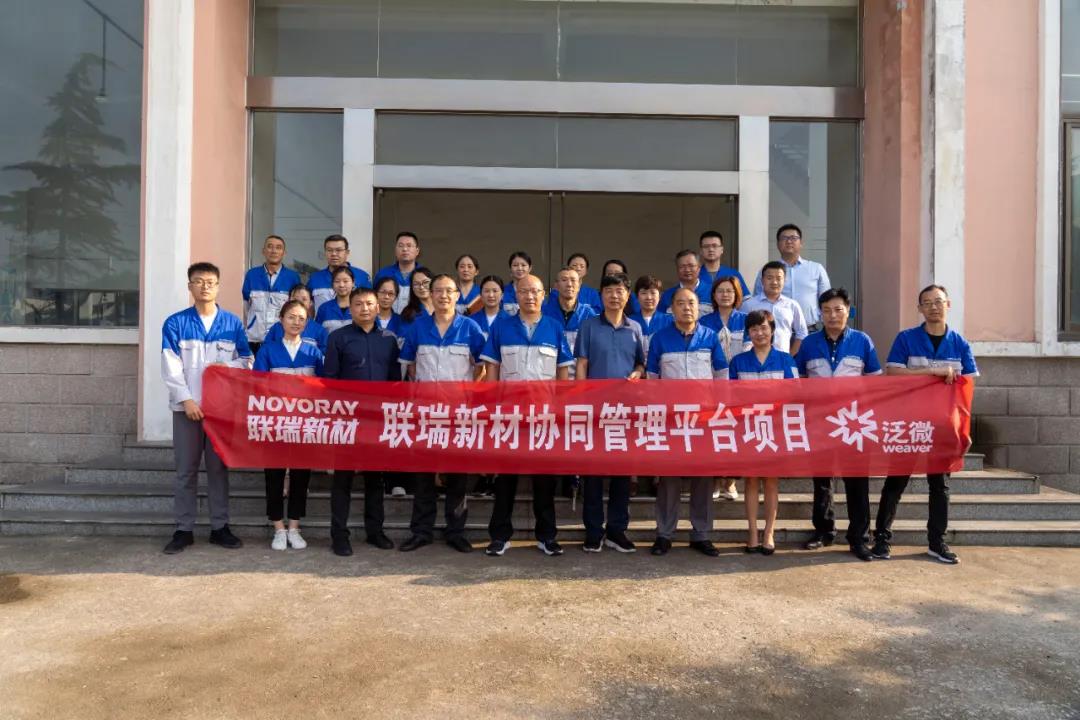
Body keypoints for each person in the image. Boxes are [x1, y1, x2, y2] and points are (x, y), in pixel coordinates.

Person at [871, 284, 978, 565]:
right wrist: (932, 371)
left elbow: (968, 389)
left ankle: (936, 542)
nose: (933, 307)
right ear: (919, 308)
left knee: (939, 485)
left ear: (948, 305)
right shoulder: (906, 338)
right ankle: (881, 539)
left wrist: (964, 430)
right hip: (910, 422)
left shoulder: (960, 343)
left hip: (943, 425)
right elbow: (893, 372)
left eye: (938, 301)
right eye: (927, 303)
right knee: (896, 481)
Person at [160, 262, 253, 554]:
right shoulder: (175, 323)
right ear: (190, 286)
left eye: (210, 282)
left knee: (218, 469)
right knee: (185, 470)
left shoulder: (232, 323)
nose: (205, 286)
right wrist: (186, 399)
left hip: (220, 411)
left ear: (218, 286)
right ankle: (183, 529)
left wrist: (226, 366)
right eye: (198, 281)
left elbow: (247, 361)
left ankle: (219, 527)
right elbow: (170, 366)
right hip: (186, 409)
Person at [481, 274, 574, 557]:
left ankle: (547, 537)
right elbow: (492, 370)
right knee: (505, 480)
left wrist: (560, 409)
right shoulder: (502, 327)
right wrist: (493, 407)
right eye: (524, 291)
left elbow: (563, 371)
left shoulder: (554, 327)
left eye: (535, 292)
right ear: (516, 295)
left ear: (544, 295)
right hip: (509, 417)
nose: (530, 296)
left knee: (544, 481)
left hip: (544, 417)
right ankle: (499, 536)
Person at [397, 274, 487, 554]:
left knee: (458, 475)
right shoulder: (418, 327)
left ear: (457, 295)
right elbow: (409, 364)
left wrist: (469, 393)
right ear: (431, 294)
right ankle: (421, 531)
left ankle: (455, 532)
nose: (444, 296)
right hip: (426, 413)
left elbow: (482, 366)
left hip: (458, 413)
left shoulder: (470, 328)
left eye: (449, 291)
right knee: (423, 475)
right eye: (438, 291)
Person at [794, 288, 882, 562]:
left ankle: (859, 538)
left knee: (857, 482)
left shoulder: (862, 341)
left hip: (853, 423)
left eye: (838, 310)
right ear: (820, 314)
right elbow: (798, 380)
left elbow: (875, 381)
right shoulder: (809, 343)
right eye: (827, 310)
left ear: (848, 311)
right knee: (822, 480)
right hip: (819, 422)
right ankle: (823, 531)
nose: (832, 315)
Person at [645, 287, 727, 558]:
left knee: (703, 478)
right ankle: (664, 534)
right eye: (680, 303)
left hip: (702, 419)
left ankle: (701, 534)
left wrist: (718, 411)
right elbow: (652, 380)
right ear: (672, 309)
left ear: (698, 307)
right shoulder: (660, 338)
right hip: (672, 420)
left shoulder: (710, 337)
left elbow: (721, 376)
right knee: (669, 478)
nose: (686, 308)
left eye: (691, 303)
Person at [321, 287, 402, 557]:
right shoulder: (338, 338)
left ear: (378, 307)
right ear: (351, 308)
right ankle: (339, 535)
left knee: (375, 478)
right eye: (358, 304)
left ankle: (375, 531)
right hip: (347, 419)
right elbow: (330, 380)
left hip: (377, 420)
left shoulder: (389, 340)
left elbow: (394, 382)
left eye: (369, 303)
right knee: (342, 479)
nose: (364, 308)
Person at [575, 272, 645, 553]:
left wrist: (637, 374)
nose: (614, 296)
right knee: (592, 474)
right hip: (594, 411)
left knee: (621, 474)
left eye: (619, 291)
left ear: (627, 295)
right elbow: (582, 364)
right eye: (609, 291)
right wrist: (582, 403)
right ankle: (593, 531)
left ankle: (617, 530)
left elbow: (641, 364)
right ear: (601, 295)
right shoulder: (589, 326)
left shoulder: (635, 328)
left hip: (624, 412)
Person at [253, 300, 324, 551]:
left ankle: (294, 526)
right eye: (291, 317)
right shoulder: (267, 351)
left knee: (300, 475)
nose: (296, 322)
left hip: (304, 424)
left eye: (301, 318)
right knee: (273, 474)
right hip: (275, 422)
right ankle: (278, 528)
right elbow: (258, 386)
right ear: (281, 320)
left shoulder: (313, 353)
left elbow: (323, 389)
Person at [729, 310, 798, 556]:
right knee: (750, 480)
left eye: (764, 328)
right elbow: (731, 396)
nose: (759, 333)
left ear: (772, 330)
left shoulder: (785, 360)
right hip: (748, 428)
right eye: (754, 329)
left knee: (770, 481)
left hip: (774, 429)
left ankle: (769, 532)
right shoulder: (738, 362)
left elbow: (795, 394)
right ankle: (752, 532)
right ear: (748, 333)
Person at [699, 275, 748, 501]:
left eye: (729, 291)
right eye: (720, 291)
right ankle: (716, 480)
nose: (725, 295)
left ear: (737, 294)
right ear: (714, 295)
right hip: (712, 384)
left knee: (736, 433)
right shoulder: (705, 321)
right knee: (714, 432)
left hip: (739, 385)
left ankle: (731, 481)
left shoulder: (746, 320)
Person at [752, 224, 831, 330]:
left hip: (810, 330)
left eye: (793, 238)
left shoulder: (816, 269)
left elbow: (827, 300)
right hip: (776, 331)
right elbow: (758, 299)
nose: (789, 241)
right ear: (778, 244)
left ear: (801, 243)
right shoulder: (766, 271)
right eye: (784, 238)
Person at [241, 234, 301, 356]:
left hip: (281, 340)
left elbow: (295, 309)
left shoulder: (293, 277)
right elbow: (246, 307)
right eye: (270, 246)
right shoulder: (252, 275)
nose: (274, 251)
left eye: (278, 247)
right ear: (263, 251)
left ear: (284, 253)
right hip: (254, 340)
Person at [741, 261, 808, 356]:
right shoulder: (748, 305)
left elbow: (802, 333)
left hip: (783, 358)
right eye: (769, 278)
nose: (774, 282)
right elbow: (741, 333)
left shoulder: (792, 305)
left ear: (784, 280)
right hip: (754, 359)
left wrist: (790, 356)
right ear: (762, 280)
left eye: (779, 278)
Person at [542, 266, 598, 379]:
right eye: (564, 280)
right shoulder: (544, 313)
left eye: (573, 280)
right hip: (550, 379)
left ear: (579, 284)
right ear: (556, 285)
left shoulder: (589, 314)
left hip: (581, 379)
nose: (569, 284)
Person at [309, 234, 371, 314]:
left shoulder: (362, 277)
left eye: (338, 250)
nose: (334, 254)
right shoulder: (315, 278)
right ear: (325, 252)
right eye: (329, 250)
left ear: (347, 252)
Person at [264, 284, 329, 353]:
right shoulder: (277, 328)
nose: (299, 302)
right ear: (288, 300)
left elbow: (325, 355)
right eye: (295, 299)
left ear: (310, 303)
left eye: (304, 299)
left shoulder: (319, 330)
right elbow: (265, 352)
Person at [374, 231, 421, 314]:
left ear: (417, 251)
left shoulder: (424, 276)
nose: (405, 249)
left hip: (416, 320)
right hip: (388, 320)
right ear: (395, 250)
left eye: (409, 245)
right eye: (400, 245)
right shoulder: (382, 274)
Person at [629, 275, 673, 358]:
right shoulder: (629, 322)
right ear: (637, 296)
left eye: (653, 293)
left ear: (660, 296)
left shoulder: (670, 321)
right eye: (644, 293)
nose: (649, 297)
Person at [657, 250, 713, 315]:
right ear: (677, 269)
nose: (687, 270)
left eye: (691, 265)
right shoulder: (667, 295)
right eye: (682, 266)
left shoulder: (712, 292)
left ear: (699, 268)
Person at [697, 230, 749, 296]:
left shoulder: (733, 274)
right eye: (706, 246)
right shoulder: (695, 274)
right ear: (701, 250)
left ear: (722, 249)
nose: (711, 249)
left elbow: (746, 299)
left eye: (714, 246)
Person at [313, 266, 355, 333]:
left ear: (353, 283)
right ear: (332, 284)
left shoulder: (359, 307)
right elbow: (317, 334)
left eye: (345, 281)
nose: (341, 285)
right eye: (337, 281)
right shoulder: (324, 308)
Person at [398, 266, 435, 336]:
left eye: (426, 282)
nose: (421, 287)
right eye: (416, 284)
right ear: (412, 288)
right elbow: (403, 338)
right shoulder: (408, 313)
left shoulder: (443, 308)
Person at [469, 274, 508, 339]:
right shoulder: (471, 321)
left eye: (495, 291)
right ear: (481, 295)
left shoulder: (510, 321)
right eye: (486, 291)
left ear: (502, 295)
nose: (491, 295)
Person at [501, 251, 533, 315]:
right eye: (515, 265)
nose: (519, 268)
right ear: (510, 268)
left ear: (530, 268)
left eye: (523, 265)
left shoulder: (536, 292)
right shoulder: (502, 292)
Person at [373, 276, 404, 341]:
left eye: (391, 293)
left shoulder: (401, 321)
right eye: (383, 292)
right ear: (375, 293)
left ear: (396, 297)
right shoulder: (367, 319)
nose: (386, 297)